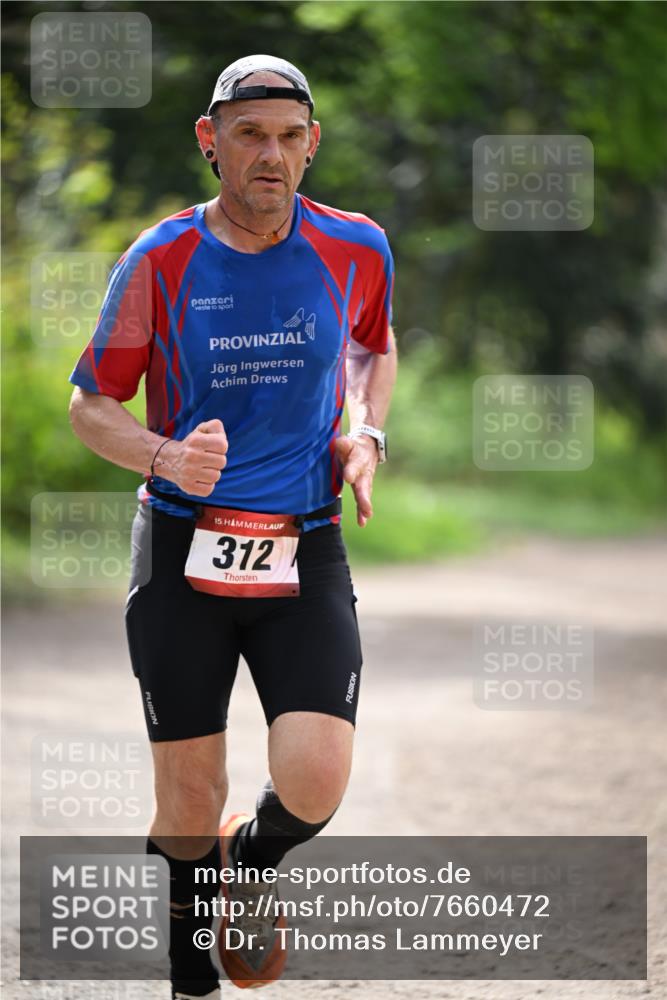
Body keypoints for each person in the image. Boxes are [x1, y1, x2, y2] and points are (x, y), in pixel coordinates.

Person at [68, 54, 396, 999]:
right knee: (187, 801)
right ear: (211, 142)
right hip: (181, 544)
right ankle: (187, 973)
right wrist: (166, 456)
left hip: (303, 540)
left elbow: (375, 345)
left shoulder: (357, 247)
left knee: (317, 780)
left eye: (290, 137)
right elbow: (93, 405)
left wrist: (363, 431)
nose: (271, 156)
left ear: (312, 147)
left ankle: (250, 866)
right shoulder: (160, 259)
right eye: (250, 135)